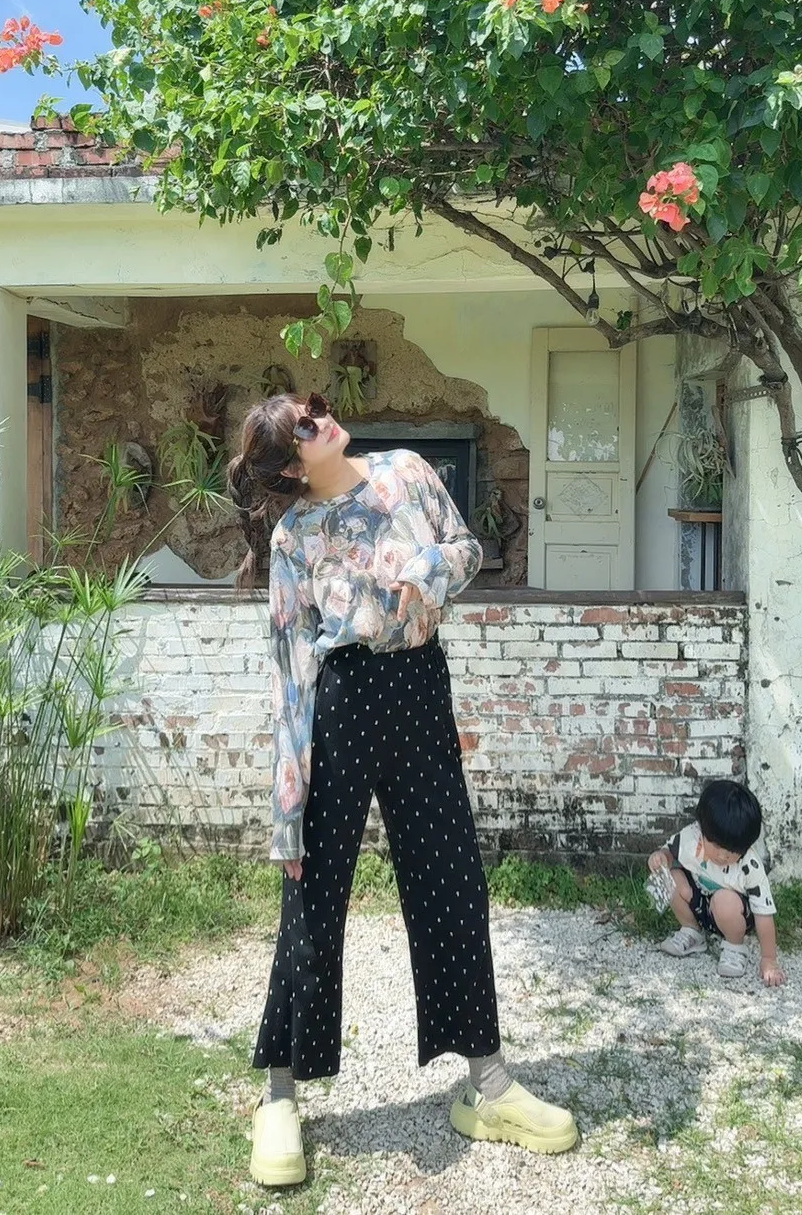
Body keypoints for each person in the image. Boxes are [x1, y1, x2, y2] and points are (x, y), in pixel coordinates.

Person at [227, 391, 578, 1188]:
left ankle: (488, 1084)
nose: (321, 416)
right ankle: (279, 1095)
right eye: (305, 424)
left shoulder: (408, 472)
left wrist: (425, 570)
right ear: (291, 464)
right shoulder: (293, 537)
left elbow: (466, 548)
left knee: (453, 880)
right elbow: (290, 669)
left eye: (314, 405)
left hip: (420, 686)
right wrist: (288, 809)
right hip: (342, 702)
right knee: (313, 894)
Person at [647, 779, 786, 987]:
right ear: (702, 831)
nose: (722, 856)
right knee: (672, 877)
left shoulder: (750, 866)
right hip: (702, 905)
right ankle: (691, 931)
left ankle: (734, 947)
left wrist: (769, 959)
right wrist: (660, 858)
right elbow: (669, 853)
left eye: (731, 852)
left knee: (724, 900)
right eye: (717, 846)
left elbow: (764, 914)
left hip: (734, 913)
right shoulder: (690, 839)